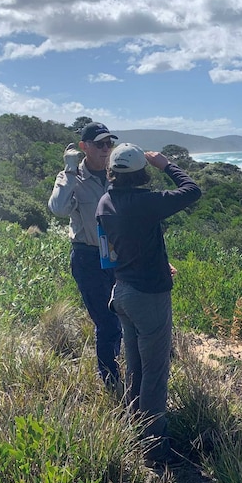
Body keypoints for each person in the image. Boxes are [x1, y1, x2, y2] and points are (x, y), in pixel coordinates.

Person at [96, 143, 201, 466]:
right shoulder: (145, 202)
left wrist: (149, 264)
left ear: (112, 171)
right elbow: (191, 191)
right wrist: (167, 165)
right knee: (155, 373)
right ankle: (155, 449)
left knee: (136, 369)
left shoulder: (105, 202)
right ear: (141, 172)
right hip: (148, 297)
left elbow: (109, 254)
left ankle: (134, 430)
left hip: (123, 291)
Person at [48, 122, 123, 389]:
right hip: (88, 258)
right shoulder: (71, 178)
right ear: (84, 147)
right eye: (99, 144)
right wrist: (69, 169)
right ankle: (110, 379)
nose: (106, 149)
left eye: (108, 144)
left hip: (119, 257)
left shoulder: (118, 175)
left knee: (124, 316)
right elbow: (57, 208)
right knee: (107, 320)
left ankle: (119, 366)